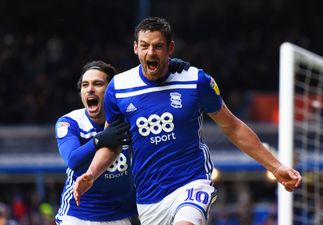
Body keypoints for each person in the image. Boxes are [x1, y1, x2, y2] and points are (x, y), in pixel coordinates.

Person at [73, 17, 302, 225]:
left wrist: (276, 165)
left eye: (158, 46)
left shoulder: (195, 81)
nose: (151, 52)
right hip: (149, 197)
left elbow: (232, 126)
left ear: (170, 48)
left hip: (191, 182)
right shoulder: (119, 89)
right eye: (144, 46)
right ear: (136, 48)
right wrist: (92, 174)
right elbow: (113, 142)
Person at [55, 58, 189, 225]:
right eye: (85, 85)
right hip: (77, 215)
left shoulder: (131, 120)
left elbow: (161, 107)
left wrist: (169, 72)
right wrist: (100, 139)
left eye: (97, 84)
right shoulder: (70, 122)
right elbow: (73, 160)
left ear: (112, 90)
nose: (90, 89)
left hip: (120, 217)